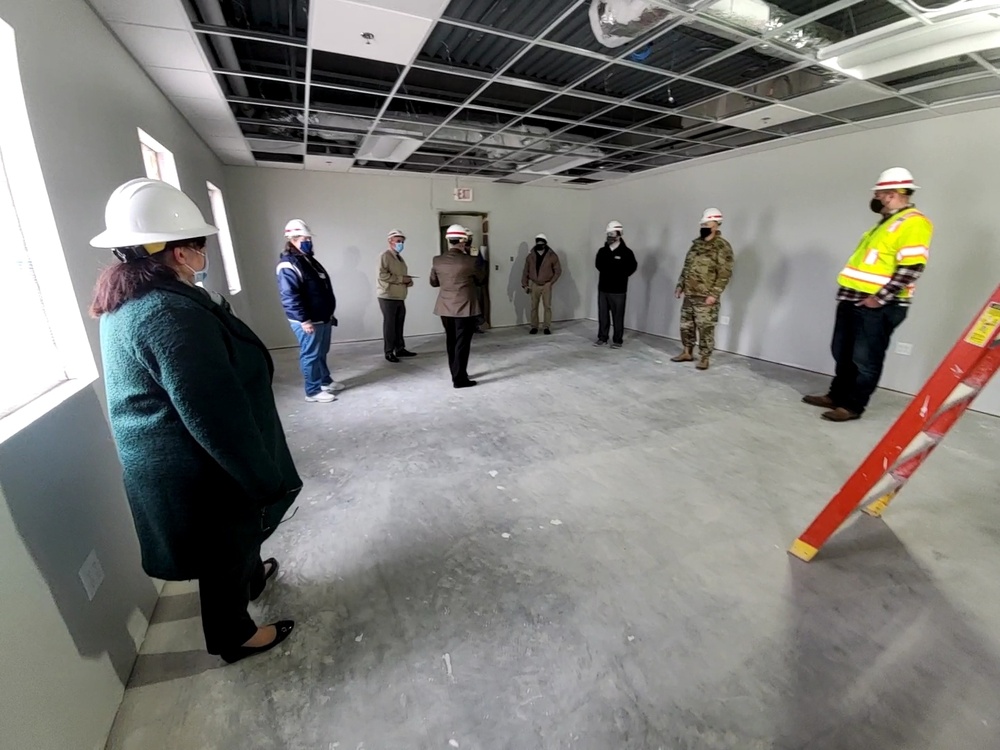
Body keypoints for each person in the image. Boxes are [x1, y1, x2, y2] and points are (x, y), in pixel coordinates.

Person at [89, 178, 299, 664]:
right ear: (179, 253)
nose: (203, 252)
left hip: (176, 456)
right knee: (223, 545)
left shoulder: (135, 298)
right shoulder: (167, 313)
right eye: (197, 244)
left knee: (237, 540)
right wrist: (260, 474)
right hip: (195, 464)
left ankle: (251, 578)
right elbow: (212, 413)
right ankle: (233, 637)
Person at [803, 167, 933, 422]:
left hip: (877, 305)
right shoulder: (885, 223)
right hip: (852, 299)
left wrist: (879, 299)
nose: (875, 197)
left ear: (891, 193)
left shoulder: (914, 222)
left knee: (866, 360)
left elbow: (911, 268)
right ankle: (836, 395)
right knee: (842, 352)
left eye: (879, 192)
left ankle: (852, 407)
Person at [276, 219, 343, 403]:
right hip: (308, 320)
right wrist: (304, 320)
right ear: (293, 239)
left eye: (309, 238)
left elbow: (321, 289)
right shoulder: (288, 264)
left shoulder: (308, 260)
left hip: (322, 317)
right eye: (305, 238)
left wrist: (328, 313)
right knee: (311, 354)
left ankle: (324, 381)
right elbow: (289, 296)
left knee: (321, 352)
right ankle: (312, 391)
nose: (309, 242)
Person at [672, 208, 735, 370]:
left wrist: (714, 294)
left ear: (715, 225)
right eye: (703, 224)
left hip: (706, 296)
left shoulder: (722, 247)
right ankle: (687, 351)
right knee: (686, 325)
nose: (703, 226)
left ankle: (704, 357)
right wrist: (680, 285)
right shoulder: (696, 244)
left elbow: (724, 273)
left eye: (706, 223)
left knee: (705, 327)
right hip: (690, 294)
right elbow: (687, 267)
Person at [431, 224, 484, 388]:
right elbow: (481, 280)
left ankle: (456, 372)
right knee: (462, 343)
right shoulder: (470, 261)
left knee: (451, 341)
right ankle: (459, 378)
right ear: (463, 241)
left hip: (445, 307)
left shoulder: (437, 260)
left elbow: (433, 282)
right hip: (464, 307)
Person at [594, 220, 638, 348]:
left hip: (618, 290)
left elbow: (632, 267)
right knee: (603, 315)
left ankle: (618, 340)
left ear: (619, 235)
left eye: (612, 234)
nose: (609, 237)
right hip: (603, 289)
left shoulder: (627, 253)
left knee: (618, 316)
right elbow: (598, 265)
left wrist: (620, 275)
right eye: (608, 234)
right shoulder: (602, 251)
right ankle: (602, 337)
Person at [377, 229, 417, 363]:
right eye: (398, 241)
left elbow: (399, 275)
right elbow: (382, 275)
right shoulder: (385, 256)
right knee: (390, 325)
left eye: (402, 242)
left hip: (399, 295)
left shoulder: (399, 258)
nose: (401, 244)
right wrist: (401, 279)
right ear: (390, 241)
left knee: (399, 324)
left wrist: (408, 281)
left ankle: (400, 348)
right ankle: (389, 352)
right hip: (388, 296)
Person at [521, 233, 562, 335]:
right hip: (534, 284)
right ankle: (534, 326)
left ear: (545, 243)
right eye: (537, 242)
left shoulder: (552, 256)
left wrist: (551, 283)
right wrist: (525, 284)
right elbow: (525, 271)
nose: (539, 244)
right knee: (534, 306)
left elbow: (558, 271)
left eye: (541, 243)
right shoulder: (530, 256)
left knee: (547, 306)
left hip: (546, 284)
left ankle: (546, 327)